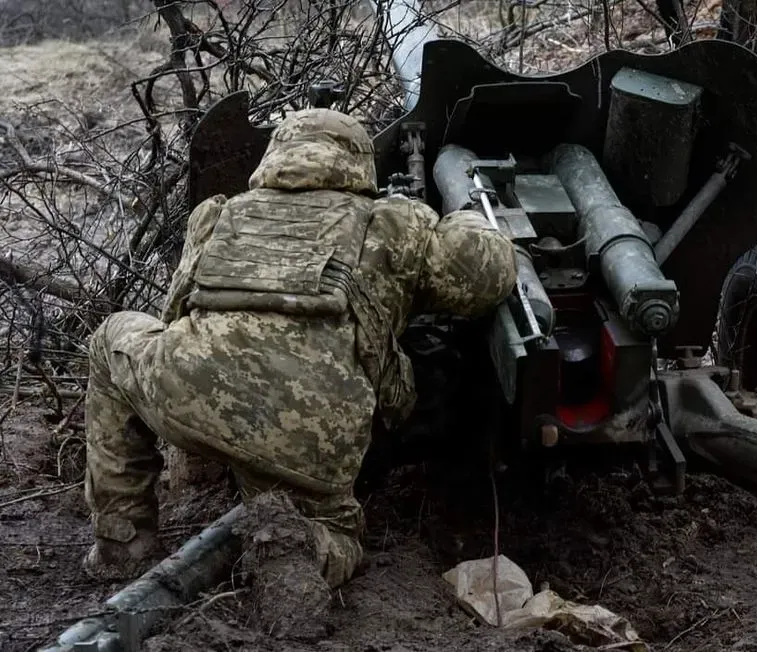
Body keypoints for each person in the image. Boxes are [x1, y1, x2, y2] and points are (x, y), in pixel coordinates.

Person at [83, 108, 518, 587]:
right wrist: (469, 217)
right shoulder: (394, 223)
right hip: (314, 432)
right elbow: (487, 275)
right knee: (330, 528)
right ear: (358, 163)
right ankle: (298, 557)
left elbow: (173, 315)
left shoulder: (219, 214)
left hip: (193, 393)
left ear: (276, 155)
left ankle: (123, 543)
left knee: (111, 340)